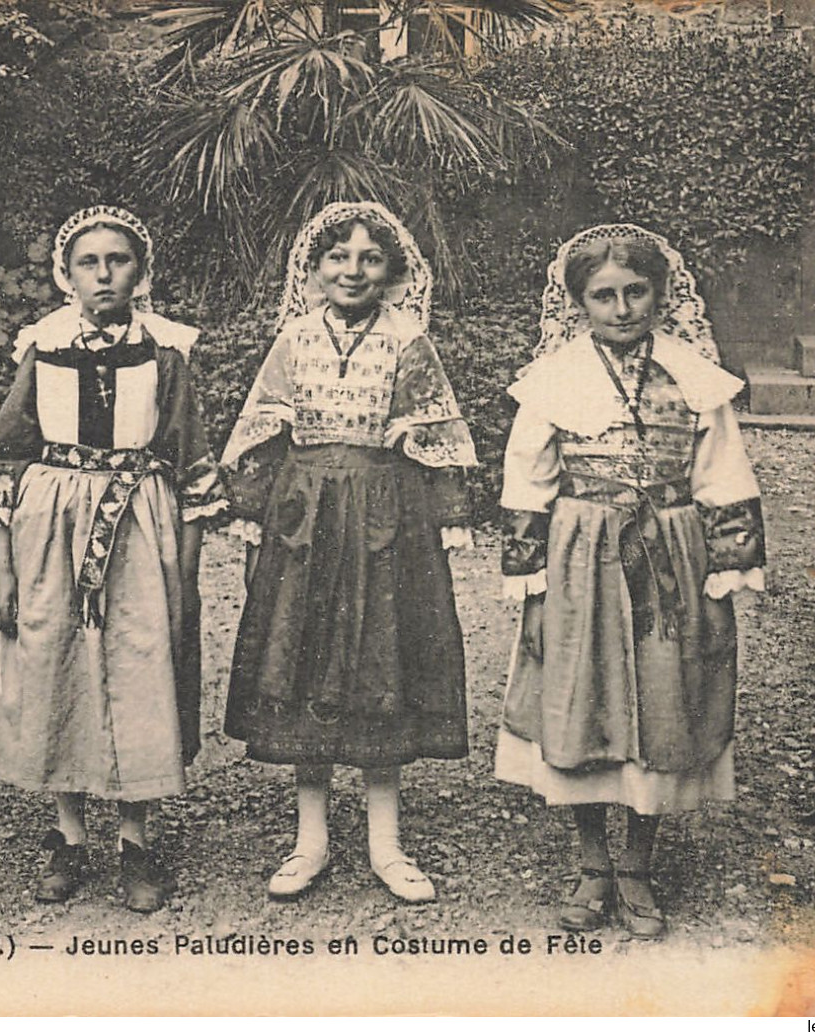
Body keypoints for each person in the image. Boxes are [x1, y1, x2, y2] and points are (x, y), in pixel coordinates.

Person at [495, 224, 766, 939]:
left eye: (634, 292)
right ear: (578, 302)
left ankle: (639, 864)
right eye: (603, 296)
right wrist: (528, 578)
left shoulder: (692, 376)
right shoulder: (552, 379)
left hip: (669, 552)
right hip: (582, 551)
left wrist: (728, 564)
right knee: (583, 697)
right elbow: (527, 480)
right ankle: (591, 862)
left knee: (661, 694)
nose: (620, 308)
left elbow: (722, 474)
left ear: (659, 293)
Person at [222, 201, 477, 904]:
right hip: (304, 518)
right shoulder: (294, 338)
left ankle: (385, 841)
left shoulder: (407, 339)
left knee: (378, 655)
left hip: (383, 518)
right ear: (314, 269)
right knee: (304, 656)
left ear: (392, 270)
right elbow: (263, 430)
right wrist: (250, 511)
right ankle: (310, 839)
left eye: (369, 258)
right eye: (338, 257)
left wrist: (448, 512)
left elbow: (435, 433)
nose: (353, 270)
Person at [0, 206, 226, 913]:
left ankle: (135, 838)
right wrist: (1, 564)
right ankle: (67, 832)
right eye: (89, 262)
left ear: (139, 271)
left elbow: (189, 456)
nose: (104, 273)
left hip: (138, 524)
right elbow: (2, 457)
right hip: (52, 523)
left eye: (118, 260)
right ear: (67, 274)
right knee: (57, 659)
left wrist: (186, 568)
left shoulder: (164, 352)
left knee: (137, 666)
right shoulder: (45, 347)